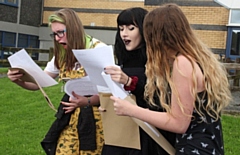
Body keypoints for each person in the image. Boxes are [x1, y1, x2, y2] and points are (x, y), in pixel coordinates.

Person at [110, 3, 232, 155]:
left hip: (195, 149)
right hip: (207, 145)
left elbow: (178, 123)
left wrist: (131, 110)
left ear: (159, 36)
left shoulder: (182, 64)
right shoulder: (194, 59)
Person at [7, 8, 105, 155]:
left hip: (96, 120)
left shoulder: (97, 50)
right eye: (55, 34)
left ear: (73, 29)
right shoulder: (61, 55)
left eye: (61, 32)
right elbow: (39, 83)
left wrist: (87, 101)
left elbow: (110, 92)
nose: (58, 38)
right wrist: (19, 80)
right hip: (69, 117)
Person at [103, 7, 175, 155]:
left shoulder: (158, 62)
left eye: (131, 28)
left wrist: (130, 82)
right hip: (121, 133)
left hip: (147, 136)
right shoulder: (120, 61)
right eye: (121, 28)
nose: (124, 33)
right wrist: (105, 105)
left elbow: (159, 100)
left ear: (144, 30)